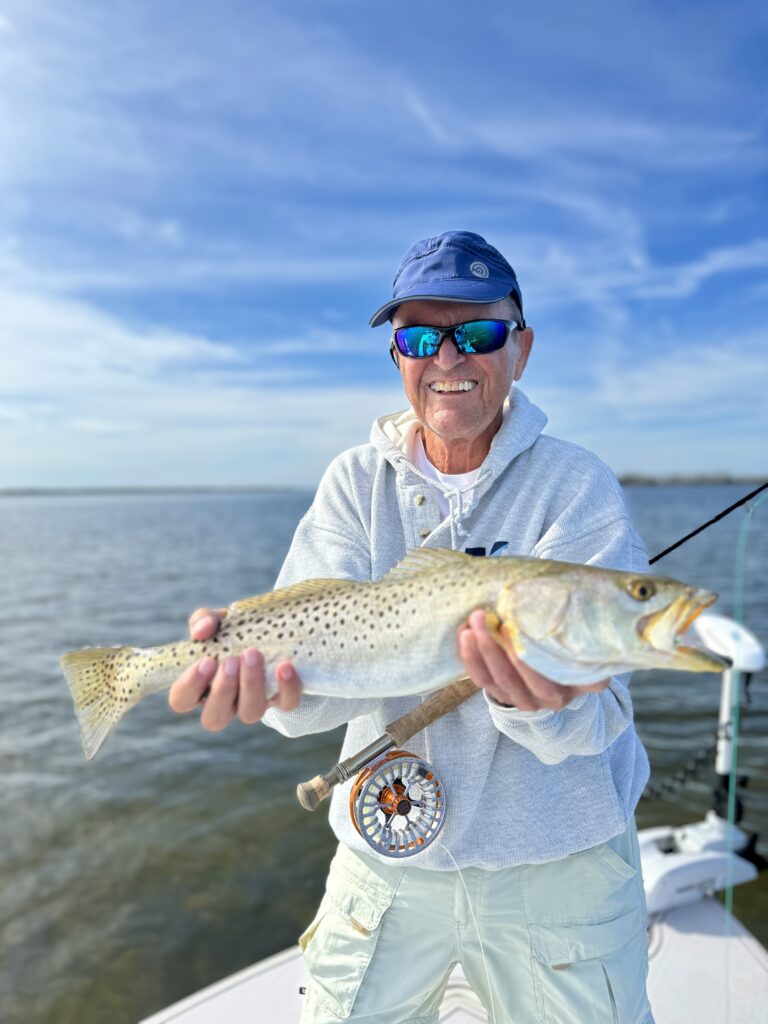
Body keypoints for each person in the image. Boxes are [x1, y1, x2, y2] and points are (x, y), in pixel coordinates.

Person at [169, 230, 654, 1023]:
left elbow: (601, 721)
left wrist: (543, 703)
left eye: (481, 334)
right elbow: (312, 710)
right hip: (383, 854)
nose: (450, 359)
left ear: (521, 349)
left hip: (559, 864)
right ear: (397, 355)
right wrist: (270, 692)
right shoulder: (353, 483)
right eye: (421, 337)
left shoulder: (577, 487)